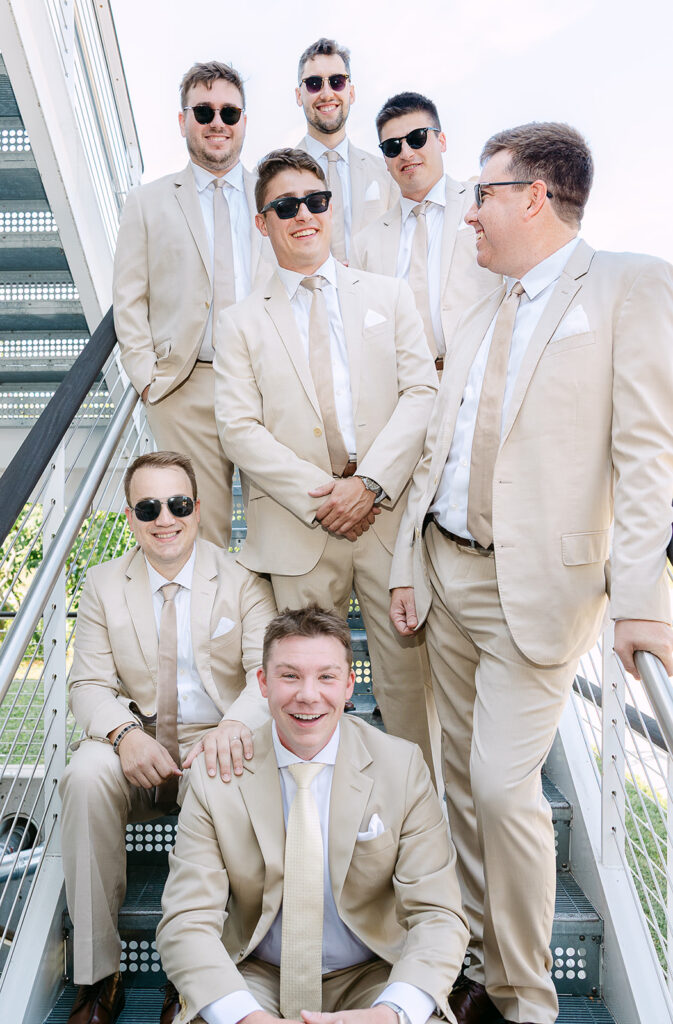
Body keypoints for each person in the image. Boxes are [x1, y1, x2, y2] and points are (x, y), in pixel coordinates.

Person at [389, 121, 673, 1024]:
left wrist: (642, 602)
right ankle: (480, 963)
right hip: (445, 576)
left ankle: (523, 1000)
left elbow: (647, 456)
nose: (468, 212)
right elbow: (437, 447)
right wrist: (404, 562)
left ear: (534, 197)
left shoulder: (629, 285)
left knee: (503, 789)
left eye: (482, 193)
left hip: (539, 594)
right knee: (461, 785)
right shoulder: (483, 304)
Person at [214, 148, 439, 776]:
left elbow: (423, 393)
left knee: (408, 695)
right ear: (262, 222)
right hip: (300, 532)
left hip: (387, 525)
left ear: (331, 207)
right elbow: (238, 428)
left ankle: (415, 820)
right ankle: (307, 821)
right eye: (286, 206)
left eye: (315, 201)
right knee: (301, 699)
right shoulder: (238, 323)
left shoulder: (391, 296)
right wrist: (327, 496)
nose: (304, 215)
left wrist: (368, 485)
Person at [156, 605, 469, 1024]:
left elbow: (438, 914)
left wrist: (388, 1014)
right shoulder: (216, 777)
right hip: (254, 973)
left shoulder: (402, 766)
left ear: (349, 684)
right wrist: (247, 1019)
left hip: (373, 973)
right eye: (290, 676)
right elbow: (187, 920)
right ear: (262, 683)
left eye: (326, 677)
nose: (308, 695)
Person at [60, 451, 277, 1024]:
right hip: (138, 735)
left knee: (224, 772)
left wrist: (233, 727)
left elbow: (265, 675)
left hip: (216, 735)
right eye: (149, 507)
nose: (165, 519)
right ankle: (98, 976)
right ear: (130, 517)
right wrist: (124, 734)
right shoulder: (103, 583)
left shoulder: (243, 579)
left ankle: (197, 982)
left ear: (198, 509)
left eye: (178, 504)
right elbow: (88, 684)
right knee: (84, 776)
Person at [113, 61, 271, 548]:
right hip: (183, 388)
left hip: (268, 383)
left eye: (229, 112)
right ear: (183, 121)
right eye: (204, 111)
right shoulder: (147, 202)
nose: (217, 122)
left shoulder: (275, 198)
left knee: (282, 530)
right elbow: (128, 297)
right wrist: (147, 379)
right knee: (203, 538)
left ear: (244, 120)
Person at [351, 92, 499, 370]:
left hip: (482, 375)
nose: (406, 153)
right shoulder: (365, 245)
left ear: (441, 141)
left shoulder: (484, 201)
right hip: (406, 386)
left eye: (417, 138)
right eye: (392, 147)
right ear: (385, 159)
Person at [295, 38, 397, 263]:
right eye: (314, 83)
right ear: (298, 95)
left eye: (337, 81)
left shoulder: (385, 173)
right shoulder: (276, 176)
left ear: (351, 92)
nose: (326, 93)